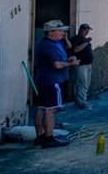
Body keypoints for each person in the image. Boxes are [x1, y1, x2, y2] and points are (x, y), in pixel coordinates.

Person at [33, 20, 77, 148]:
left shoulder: (52, 43)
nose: (63, 33)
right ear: (51, 32)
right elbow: (57, 65)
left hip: (43, 80)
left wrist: (68, 60)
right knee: (50, 110)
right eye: (61, 30)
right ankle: (49, 138)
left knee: (41, 108)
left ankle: (40, 136)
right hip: (52, 81)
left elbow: (60, 59)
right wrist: (71, 64)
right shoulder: (48, 45)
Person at [68, 23, 94, 109]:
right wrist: (86, 42)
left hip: (88, 64)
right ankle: (81, 102)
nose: (87, 32)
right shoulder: (76, 39)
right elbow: (76, 49)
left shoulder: (84, 39)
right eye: (85, 30)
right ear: (81, 30)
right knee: (82, 84)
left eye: (88, 30)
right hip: (81, 65)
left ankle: (82, 100)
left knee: (87, 83)